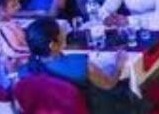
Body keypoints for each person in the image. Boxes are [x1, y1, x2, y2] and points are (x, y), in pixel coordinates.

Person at [19, 18, 148, 113]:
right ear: (52, 45)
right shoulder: (79, 62)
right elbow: (108, 84)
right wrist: (119, 65)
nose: (64, 32)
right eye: (60, 31)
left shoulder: (24, 72)